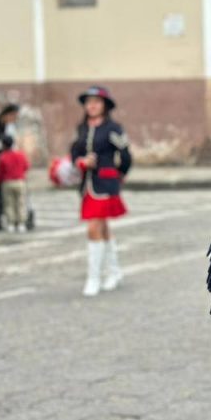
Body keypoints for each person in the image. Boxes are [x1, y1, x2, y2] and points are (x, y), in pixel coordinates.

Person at [70, 86, 133, 297]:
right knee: (102, 227)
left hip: (105, 184)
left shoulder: (113, 128)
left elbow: (125, 155)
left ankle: (94, 277)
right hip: (87, 185)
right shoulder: (82, 128)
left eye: (97, 102)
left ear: (105, 106)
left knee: (93, 227)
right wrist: (81, 161)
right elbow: (74, 151)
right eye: (89, 102)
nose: (92, 106)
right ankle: (114, 272)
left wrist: (120, 174)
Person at [0, 135, 30, 233]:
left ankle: (11, 223)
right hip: (20, 181)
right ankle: (21, 223)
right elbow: (26, 166)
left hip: (7, 182)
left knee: (9, 204)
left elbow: (0, 172)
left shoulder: (2, 157)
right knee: (21, 203)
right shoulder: (20, 155)